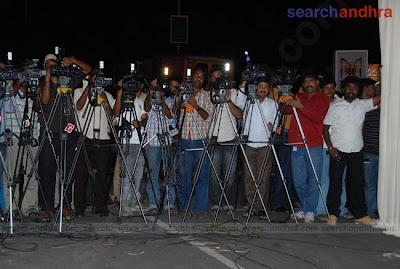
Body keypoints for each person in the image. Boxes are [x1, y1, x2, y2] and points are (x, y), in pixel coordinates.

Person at [38, 54, 91, 221]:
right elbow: (45, 101)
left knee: (67, 172)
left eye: (54, 65)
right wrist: (47, 77)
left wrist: (73, 61)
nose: (52, 67)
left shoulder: (67, 80)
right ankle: (47, 208)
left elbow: (88, 70)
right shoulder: (42, 82)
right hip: (49, 132)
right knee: (47, 172)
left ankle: (66, 206)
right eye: (48, 65)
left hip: (68, 132)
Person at [323, 76, 380, 226]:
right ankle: (333, 214)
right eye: (348, 88)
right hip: (338, 151)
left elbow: (378, 99)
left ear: (358, 90)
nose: (351, 90)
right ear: (343, 90)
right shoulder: (335, 106)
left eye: (354, 88)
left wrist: (389, 84)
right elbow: (325, 129)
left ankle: (360, 214)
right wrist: (331, 147)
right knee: (335, 184)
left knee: (357, 184)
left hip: (356, 151)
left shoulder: (362, 105)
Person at [285, 72, 330, 223]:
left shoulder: (323, 99)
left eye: (311, 80)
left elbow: (318, 117)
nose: (308, 83)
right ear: (303, 85)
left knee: (314, 179)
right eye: (306, 81)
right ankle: (304, 207)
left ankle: (310, 209)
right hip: (296, 144)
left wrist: (300, 106)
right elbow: (285, 111)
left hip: (313, 144)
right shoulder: (298, 96)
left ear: (317, 83)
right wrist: (285, 99)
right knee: (298, 179)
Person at [73, 68, 116, 217]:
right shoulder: (79, 91)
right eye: (95, 78)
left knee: (103, 175)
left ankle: (101, 206)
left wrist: (103, 97)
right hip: (85, 136)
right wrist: (89, 89)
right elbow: (78, 106)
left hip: (103, 138)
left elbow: (113, 118)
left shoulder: (108, 96)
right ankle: (79, 206)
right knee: (81, 174)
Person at [2, 74, 41, 217]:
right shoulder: (12, 91)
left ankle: (29, 207)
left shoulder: (34, 93)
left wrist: (37, 94)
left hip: (32, 138)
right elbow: (8, 100)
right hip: (14, 136)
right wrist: (19, 81)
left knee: (32, 174)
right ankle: (10, 208)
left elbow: (38, 109)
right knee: (11, 174)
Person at [239, 77, 278, 220]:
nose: (262, 89)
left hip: (264, 145)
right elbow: (238, 103)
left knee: (263, 178)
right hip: (249, 144)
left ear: (269, 89)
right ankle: (252, 207)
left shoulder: (273, 104)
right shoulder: (249, 101)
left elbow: (277, 123)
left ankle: (261, 207)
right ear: (256, 88)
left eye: (265, 87)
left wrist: (272, 127)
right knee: (249, 178)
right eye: (260, 86)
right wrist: (243, 87)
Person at [178, 67, 213, 218]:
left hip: (200, 140)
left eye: (201, 76)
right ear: (191, 78)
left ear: (204, 80)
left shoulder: (208, 96)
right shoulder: (182, 94)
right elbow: (174, 112)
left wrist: (196, 105)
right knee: (184, 175)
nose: (198, 78)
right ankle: (186, 206)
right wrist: (181, 98)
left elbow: (208, 117)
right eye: (196, 76)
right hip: (185, 138)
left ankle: (200, 208)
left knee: (202, 176)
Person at [316, 78, 353, 220]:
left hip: (340, 146)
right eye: (327, 88)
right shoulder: (318, 102)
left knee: (340, 179)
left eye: (332, 87)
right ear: (321, 89)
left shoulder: (341, 103)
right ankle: (321, 210)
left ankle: (341, 208)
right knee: (324, 179)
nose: (330, 91)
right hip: (323, 146)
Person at [207, 67, 242, 215]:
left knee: (230, 176)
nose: (217, 79)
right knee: (214, 175)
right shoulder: (208, 95)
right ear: (211, 80)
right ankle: (215, 203)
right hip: (214, 138)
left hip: (230, 139)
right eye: (214, 77)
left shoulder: (233, 93)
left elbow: (239, 115)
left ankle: (228, 203)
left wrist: (228, 101)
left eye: (219, 76)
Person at [113, 78, 147, 216]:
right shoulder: (121, 101)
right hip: (126, 141)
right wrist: (120, 92)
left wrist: (140, 123)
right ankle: (124, 205)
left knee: (138, 174)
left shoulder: (139, 102)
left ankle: (134, 202)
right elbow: (115, 113)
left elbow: (145, 118)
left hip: (139, 142)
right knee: (126, 175)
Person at [143, 77, 176, 214]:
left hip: (166, 141)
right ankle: (153, 203)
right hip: (152, 141)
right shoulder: (150, 97)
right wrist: (152, 91)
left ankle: (169, 203)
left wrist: (162, 100)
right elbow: (146, 107)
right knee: (153, 173)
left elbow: (170, 116)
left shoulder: (169, 100)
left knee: (169, 174)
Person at [362, 80, 380, 220]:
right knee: (370, 185)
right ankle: (371, 213)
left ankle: (384, 212)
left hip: (387, 155)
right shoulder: (368, 110)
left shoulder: (392, 112)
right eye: (376, 89)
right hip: (369, 153)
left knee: (386, 184)